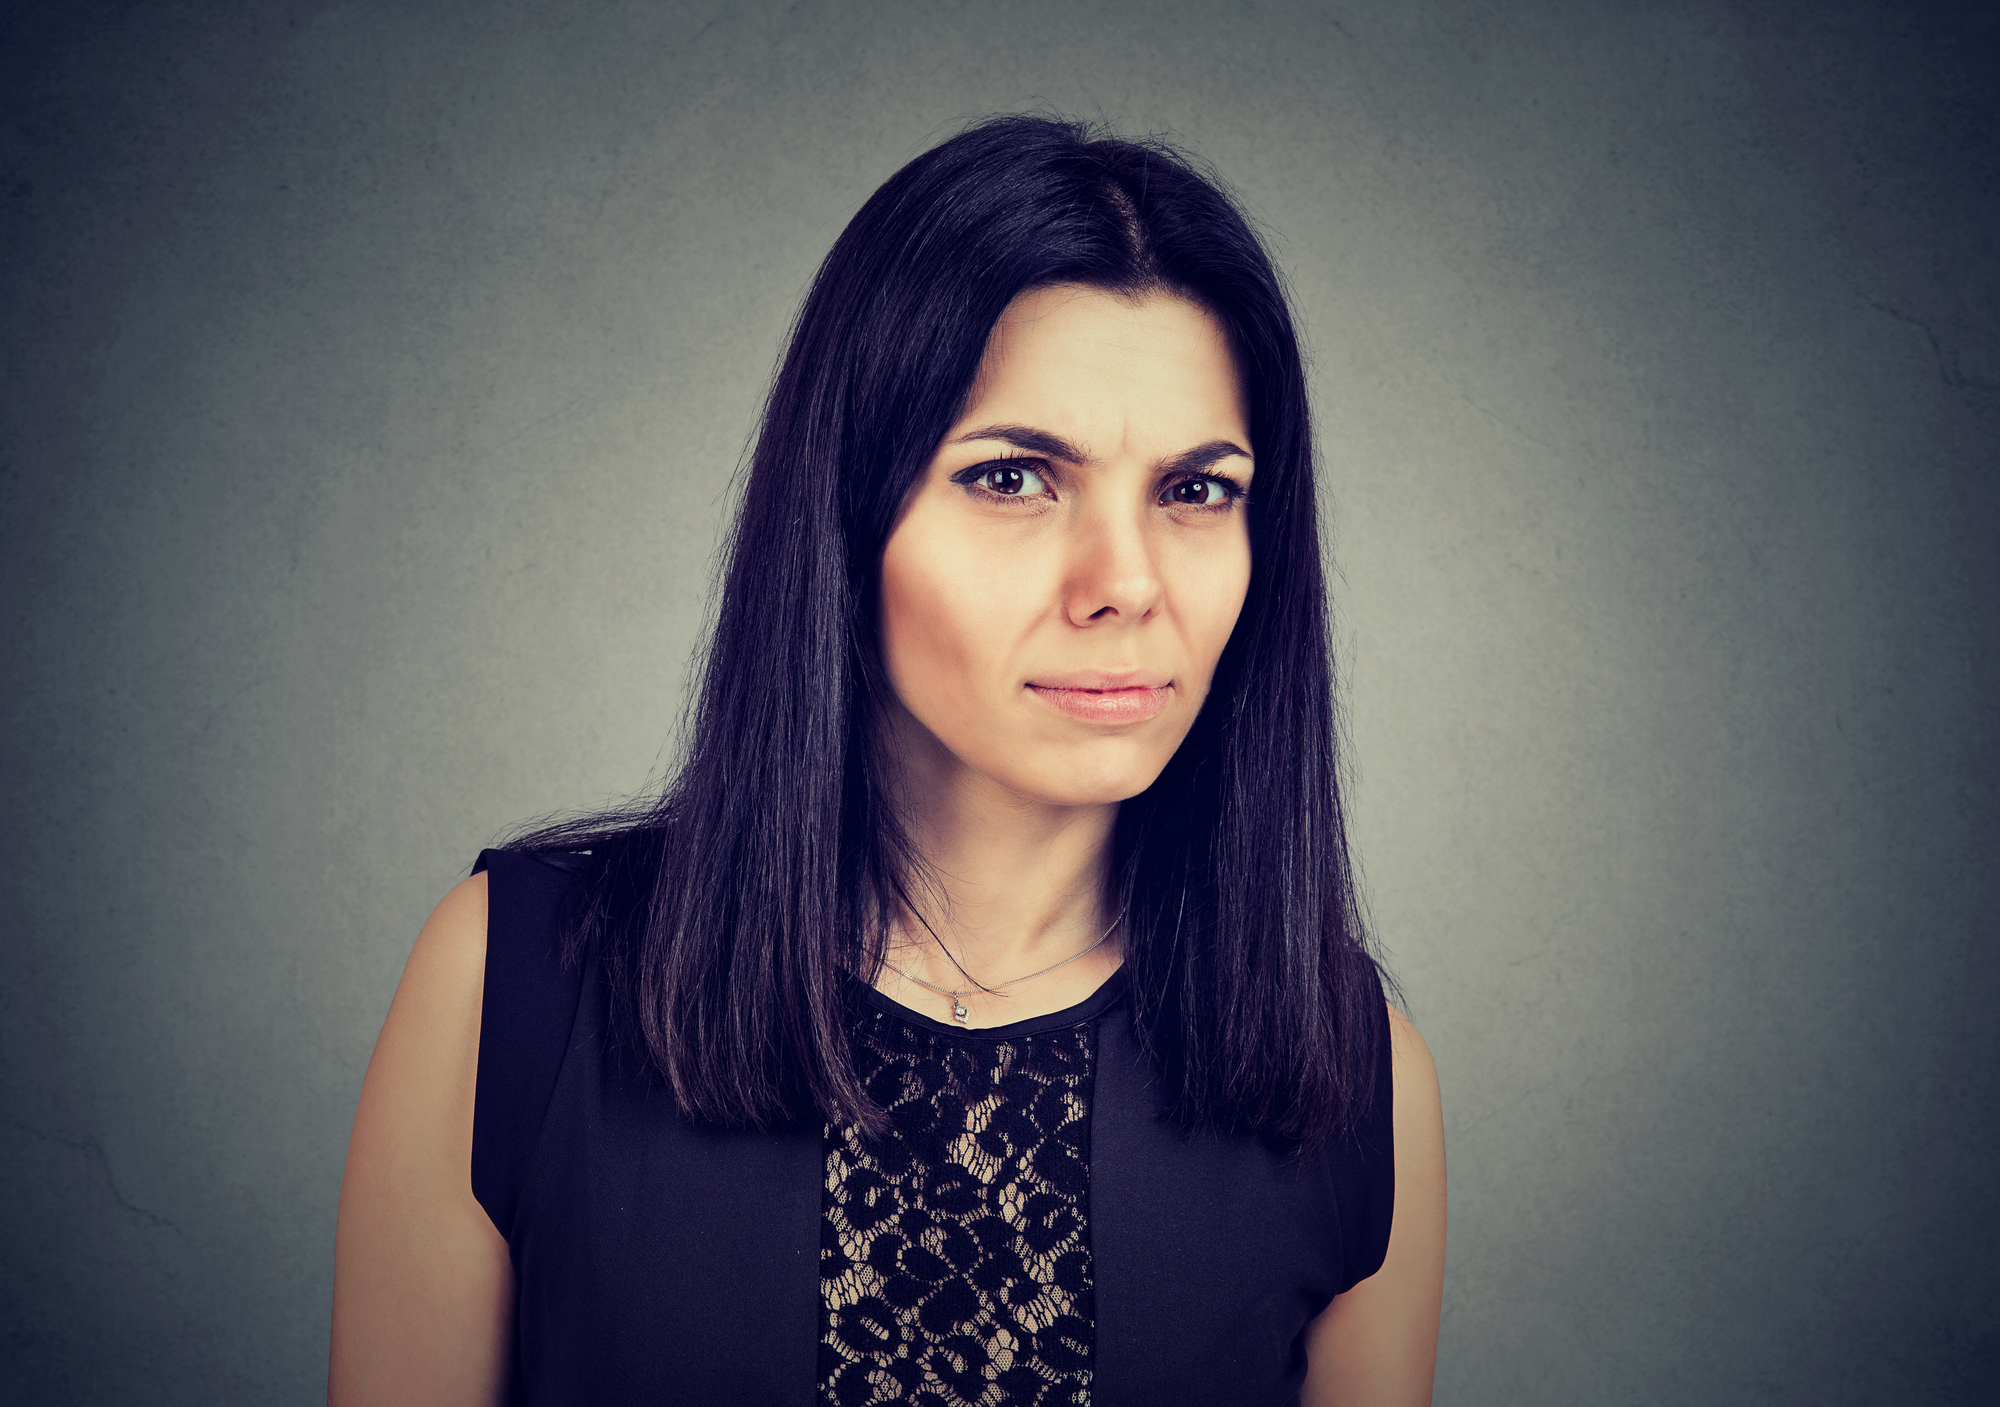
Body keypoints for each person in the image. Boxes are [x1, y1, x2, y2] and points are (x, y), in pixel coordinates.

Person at [329, 115, 1446, 1406]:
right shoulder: (512, 986)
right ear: (845, 513)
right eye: (1016, 477)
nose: (1128, 585)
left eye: (1197, 492)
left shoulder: (1354, 1075)